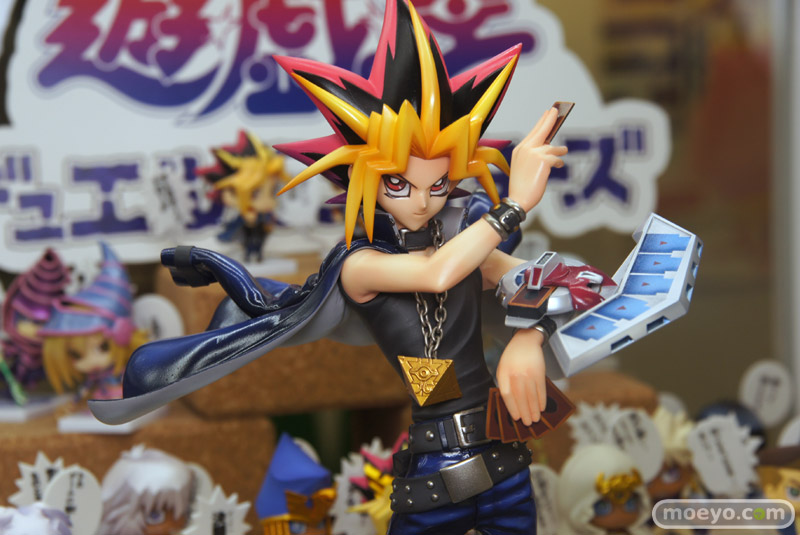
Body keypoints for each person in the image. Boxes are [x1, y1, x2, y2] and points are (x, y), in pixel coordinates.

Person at [92, 1, 570, 533]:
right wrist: (513, 206)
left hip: (504, 463)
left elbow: (557, 281)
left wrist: (528, 338)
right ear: (362, 177)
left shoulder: (463, 243)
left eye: (439, 183)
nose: (422, 201)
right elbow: (436, 274)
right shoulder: (361, 265)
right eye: (398, 183)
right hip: (437, 475)